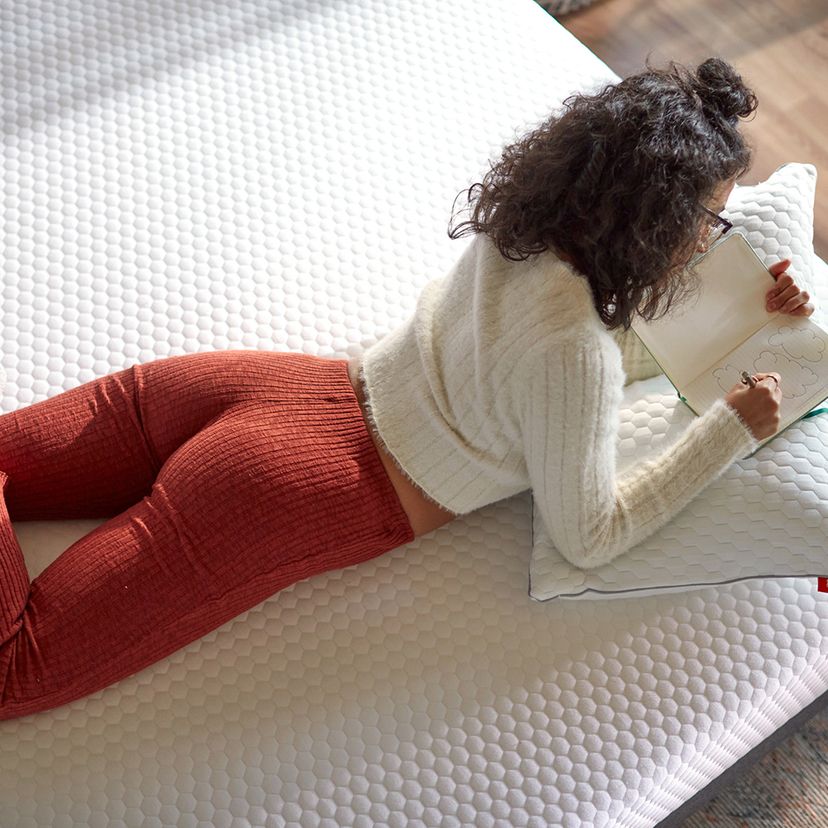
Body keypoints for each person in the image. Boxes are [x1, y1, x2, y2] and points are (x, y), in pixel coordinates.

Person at [0, 57, 813, 721]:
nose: (709, 239)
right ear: (650, 220)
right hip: (298, 489)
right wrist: (730, 429)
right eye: (708, 223)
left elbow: (542, 359)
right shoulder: (576, 357)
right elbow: (590, 535)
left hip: (260, 387)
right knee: (13, 670)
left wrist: (744, 309)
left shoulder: (527, 230)